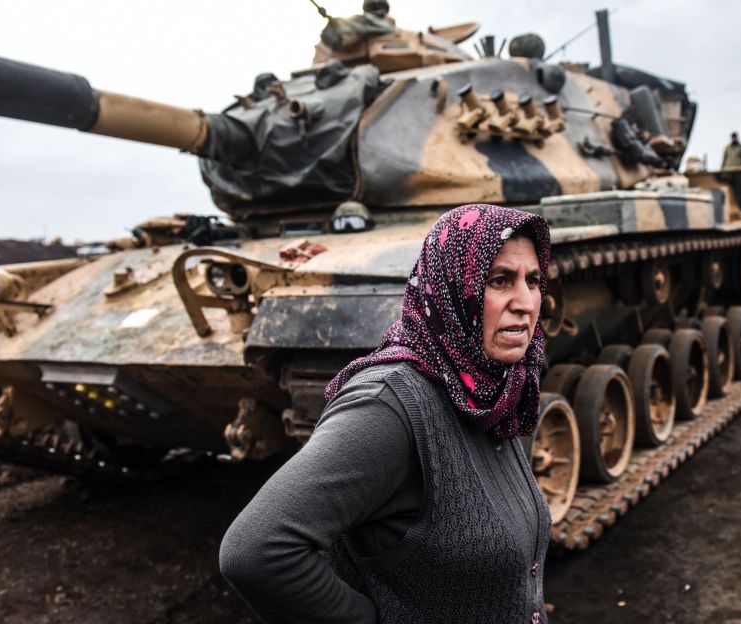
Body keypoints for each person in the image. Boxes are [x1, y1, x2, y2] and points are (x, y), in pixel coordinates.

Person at [219, 204, 552, 624]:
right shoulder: (390, 405)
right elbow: (256, 551)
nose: (525, 303)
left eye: (534, 281)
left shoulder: (495, 387)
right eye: (499, 280)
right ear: (450, 286)